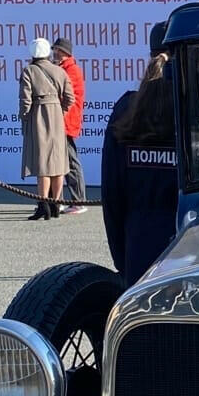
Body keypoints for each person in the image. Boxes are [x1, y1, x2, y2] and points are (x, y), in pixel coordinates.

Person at [102, 54, 180, 284]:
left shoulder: (126, 112)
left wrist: (120, 256)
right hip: (186, 239)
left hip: (138, 240)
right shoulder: (197, 112)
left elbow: (112, 192)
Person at [19, 37, 74, 221]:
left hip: (38, 115)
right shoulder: (59, 70)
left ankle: (43, 205)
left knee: (42, 163)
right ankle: (55, 203)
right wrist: (60, 111)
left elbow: (25, 100)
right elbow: (70, 98)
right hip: (56, 114)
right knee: (58, 162)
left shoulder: (29, 71)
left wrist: (25, 118)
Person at [51, 37, 87, 213]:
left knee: (71, 162)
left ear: (66, 52)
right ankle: (62, 200)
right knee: (62, 161)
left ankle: (79, 201)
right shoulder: (63, 69)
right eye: (54, 49)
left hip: (66, 122)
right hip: (61, 121)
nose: (55, 53)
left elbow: (61, 94)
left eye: (58, 50)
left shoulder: (71, 70)